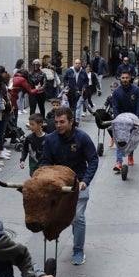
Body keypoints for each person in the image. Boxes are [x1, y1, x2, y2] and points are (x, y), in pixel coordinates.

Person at [40, 107, 99, 265]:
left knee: (78, 218)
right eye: (56, 122)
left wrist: (85, 180)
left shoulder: (82, 138)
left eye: (62, 122)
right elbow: (45, 163)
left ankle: (78, 250)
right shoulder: (50, 139)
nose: (58, 125)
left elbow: (93, 160)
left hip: (78, 184)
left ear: (71, 122)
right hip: (58, 186)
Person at [111, 71, 139, 171]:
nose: (125, 80)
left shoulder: (136, 90)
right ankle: (118, 162)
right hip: (120, 120)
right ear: (120, 78)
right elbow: (115, 106)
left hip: (132, 119)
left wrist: (137, 118)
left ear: (130, 78)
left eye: (127, 78)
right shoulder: (116, 92)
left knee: (131, 139)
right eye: (123, 78)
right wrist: (117, 119)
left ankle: (130, 155)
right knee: (120, 140)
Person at [62, 59, 89, 124]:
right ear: (74, 64)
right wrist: (66, 85)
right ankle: (72, 120)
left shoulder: (83, 72)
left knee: (77, 106)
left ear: (80, 64)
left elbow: (86, 81)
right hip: (71, 91)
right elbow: (65, 79)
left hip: (79, 92)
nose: (77, 65)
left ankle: (75, 120)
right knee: (72, 107)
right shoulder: (69, 71)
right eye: (76, 63)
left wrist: (84, 87)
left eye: (79, 63)